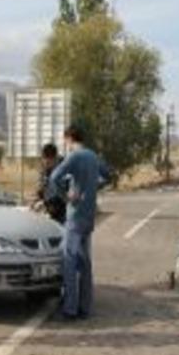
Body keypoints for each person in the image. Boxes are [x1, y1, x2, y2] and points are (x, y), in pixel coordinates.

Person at [47, 125, 110, 320]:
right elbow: (108, 175)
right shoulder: (93, 156)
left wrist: (67, 197)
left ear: (68, 138)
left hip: (74, 216)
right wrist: (93, 188)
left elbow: (53, 178)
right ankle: (85, 307)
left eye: (65, 140)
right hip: (90, 215)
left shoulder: (74, 156)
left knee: (69, 261)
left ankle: (70, 309)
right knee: (85, 262)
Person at [34, 143, 66, 224]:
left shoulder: (64, 168)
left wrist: (45, 204)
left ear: (55, 158)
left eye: (48, 162)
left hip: (63, 212)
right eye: (44, 160)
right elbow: (40, 186)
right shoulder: (44, 167)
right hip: (49, 210)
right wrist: (36, 200)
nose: (46, 164)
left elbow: (62, 194)